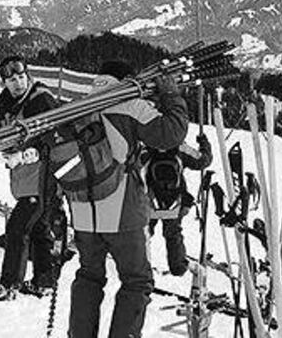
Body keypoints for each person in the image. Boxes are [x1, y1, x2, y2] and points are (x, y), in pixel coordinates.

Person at [59, 61, 188, 338]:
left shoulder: (80, 105)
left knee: (89, 277)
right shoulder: (128, 105)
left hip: (83, 210)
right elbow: (171, 134)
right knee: (137, 281)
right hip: (122, 210)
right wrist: (171, 97)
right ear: (127, 79)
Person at [0, 55, 59, 301]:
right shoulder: (5, 105)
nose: (17, 83)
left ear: (27, 75)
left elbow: (53, 137)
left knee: (17, 228)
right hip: (23, 177)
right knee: (39, 228)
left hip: (43, 176)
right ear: (4, 83)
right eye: (11, 80)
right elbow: (5, 138)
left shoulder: (41, 100)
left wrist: (28, 154)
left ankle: (9, 284)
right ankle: (43, 282)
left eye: (20, 77)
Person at [143, 134, 212, 276]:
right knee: (173, 233)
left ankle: (140, 263)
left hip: (150, 200)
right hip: (174, 201)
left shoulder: (147, 148)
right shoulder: (179, 148)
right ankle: (178, 265)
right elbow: (203, 161)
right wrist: (204, 143)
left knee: (144, 232)